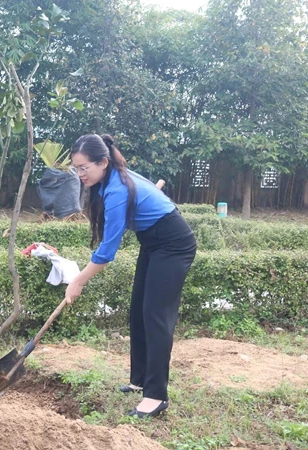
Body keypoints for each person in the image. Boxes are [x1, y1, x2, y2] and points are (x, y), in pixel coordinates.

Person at [63, 134, 196, 418]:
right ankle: (140, 380)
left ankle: (156, 396)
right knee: (139, 310)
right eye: (76, 168)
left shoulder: (117, 190)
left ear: (103, 162)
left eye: (84, 167)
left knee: (156, 315)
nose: (80, 174)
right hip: (152, 242)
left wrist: (78, 280)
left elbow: (107, 251)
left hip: (174, 244)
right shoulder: (109, 181)